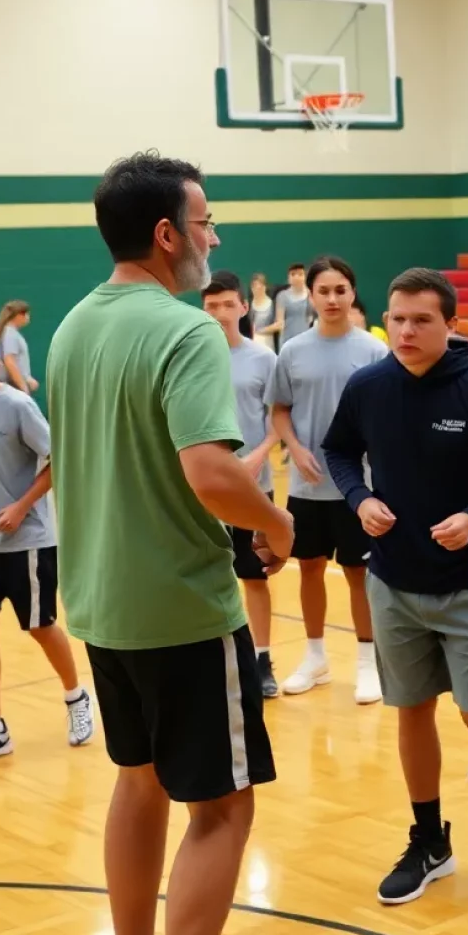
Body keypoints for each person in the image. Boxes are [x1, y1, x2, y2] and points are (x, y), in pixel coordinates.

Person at [47, 152, 294, 935]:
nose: (213, 237)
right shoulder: (188, 329)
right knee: (223, 808)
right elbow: (211, 473)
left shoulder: (72, 324)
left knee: (138, 782)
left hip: (99, 606)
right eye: (205, 221)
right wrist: (276, 523)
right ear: (165, 234)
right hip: (183, 610)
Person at [323, 268, 468, 906]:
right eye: (398, 319)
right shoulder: (369, 385)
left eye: (421, 321)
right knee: (411, 712)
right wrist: (358, 498)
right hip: (392, 582)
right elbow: (337, 451)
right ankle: (428, 841)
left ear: (451, 325)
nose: (406, 332)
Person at [0, 327, 93, 769]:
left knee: (40, 627)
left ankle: (76, 696)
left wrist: (23, 506)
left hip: (26, 541)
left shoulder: (19, 406)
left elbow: (56, 460)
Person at [267, 255, 387, 703]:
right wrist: (295, 449)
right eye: (324, 291)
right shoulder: (293, 350)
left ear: (352, 293)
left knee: (359, 573)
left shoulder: (374, 350)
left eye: (341, 290)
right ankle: (315, 657)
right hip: (307, 486)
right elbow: (279, 409)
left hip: (359, 488)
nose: (333, 298)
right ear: (311, 296)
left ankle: (366, 661)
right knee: (310, 568)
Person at [202, 270, 281, 697]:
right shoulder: (193, 356)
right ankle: (218, 658)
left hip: (254, 485)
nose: (219, 313)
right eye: (211, 305)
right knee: (207, 575)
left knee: (254, 576)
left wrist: (258, 454)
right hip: (204, 488)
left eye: (227, 304)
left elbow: (277, 420)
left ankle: (262, 660)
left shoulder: (264, 359)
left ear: (243, 307)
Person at [262, 262, 311, 348]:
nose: (296, 277)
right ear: (288, 278)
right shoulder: (282, 296)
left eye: (300, 274)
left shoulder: (311, 295)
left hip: (306, 342)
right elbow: (280, 323)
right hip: (287, 342)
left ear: (305, 277)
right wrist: (261, 331)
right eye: (293, 274)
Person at [0, 300, 38, 395]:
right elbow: (9, 361)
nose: (28, 317)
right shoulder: (10, 334)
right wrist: (23, 388)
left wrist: (27, 378)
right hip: (14, 387)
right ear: (18, 315)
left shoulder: (9, 333)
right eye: (26, 314)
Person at [249, 272, 276, 350]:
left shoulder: (272, 304)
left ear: (265, 287)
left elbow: (278, 324)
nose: (257, 288)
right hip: (253, 345)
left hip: (268, 343)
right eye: (254, 285)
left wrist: (261, 331)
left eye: (260, 285)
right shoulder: (249, 305)